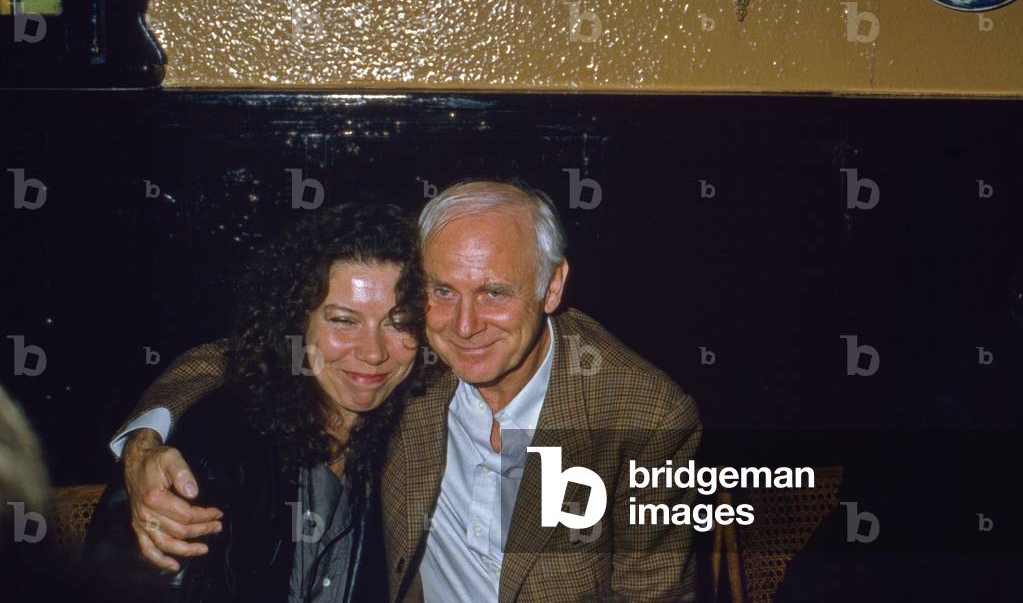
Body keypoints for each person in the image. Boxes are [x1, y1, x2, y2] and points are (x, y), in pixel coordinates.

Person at [110, 180, 702, 602]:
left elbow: (654, 595)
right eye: (442, 290)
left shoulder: (645, 417)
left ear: (553, 287)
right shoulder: (418, 358)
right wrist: (143, 440)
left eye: (494, 291)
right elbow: (235, 355)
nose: (465, 325)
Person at [87, 202, 427, 603]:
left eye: (398, 322)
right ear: (296, 322)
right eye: (342, 320)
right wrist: (143, 439)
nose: (373, 352)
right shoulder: (209, 460)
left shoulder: (408, 423)